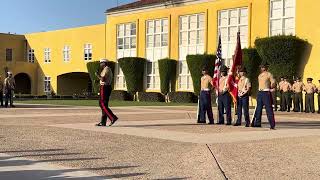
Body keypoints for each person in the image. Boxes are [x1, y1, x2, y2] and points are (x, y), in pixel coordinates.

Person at [251, 62, 276, 129]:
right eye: (261, 67)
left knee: (268, 109)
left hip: (266, 92)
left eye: (263, 67)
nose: (262, 68)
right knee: (258, 109)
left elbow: (273, 82)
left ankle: (272, 124)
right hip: (260, 92)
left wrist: (272, 86)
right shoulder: (259, 75)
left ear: (266, 67)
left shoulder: (269, 74)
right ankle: (257, 123)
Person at [95, 59, 118, 126]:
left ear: (104, 63)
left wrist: (97, 75)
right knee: (104, 105)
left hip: (104, 87)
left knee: (102, 104)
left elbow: (103, 79)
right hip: (106, 87)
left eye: (101, 63)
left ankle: (112, 117)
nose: (100, 64)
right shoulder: (106, 69)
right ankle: (103, 122)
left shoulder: (106, 69)